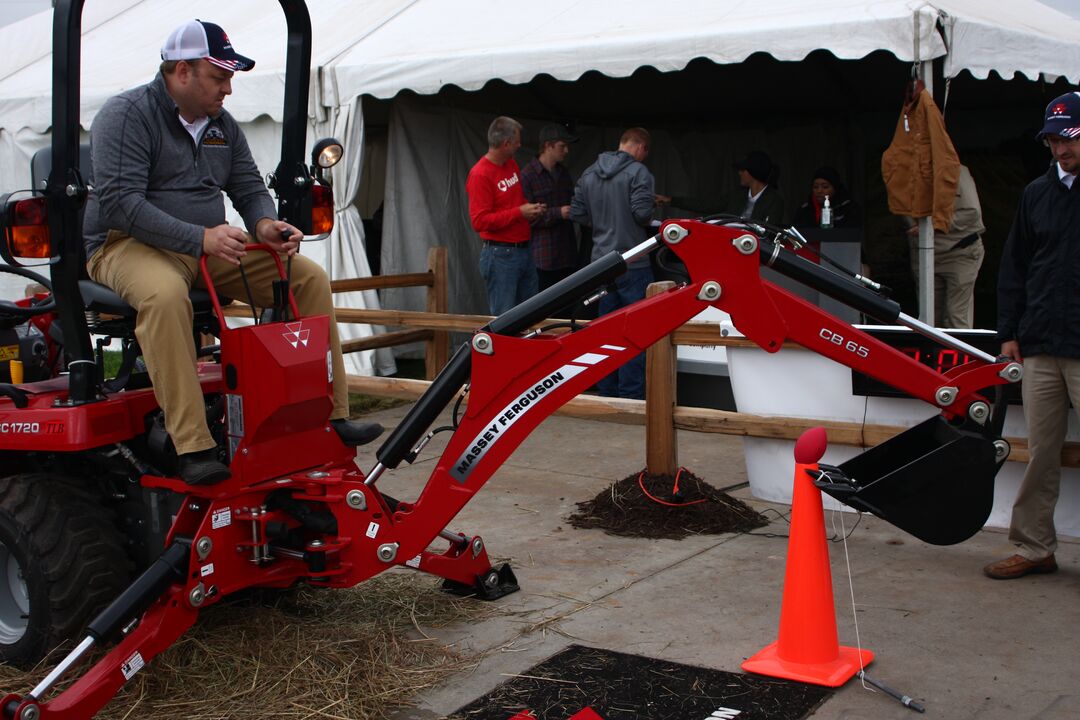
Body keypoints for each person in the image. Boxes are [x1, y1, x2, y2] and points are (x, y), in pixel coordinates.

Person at [83, 20, 381, 486]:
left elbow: (247, 186)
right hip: (128, 244)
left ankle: (331, 414)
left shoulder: (221, 125)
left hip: (205, 245)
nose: (227, 89)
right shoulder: (125, 115)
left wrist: (265, 224)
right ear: (183, 71)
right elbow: (122, 205)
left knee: (305, 276)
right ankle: (193, 446)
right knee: (163, 297)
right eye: (219, 77)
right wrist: (201, 239)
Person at [985, 92, 1080, 580]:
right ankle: (1035, 546)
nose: (1062, 148)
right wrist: (1008, 333)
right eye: (1053, 139)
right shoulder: (1035, 194)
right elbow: (1014, 267)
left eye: (1071, 137)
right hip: (1041, 342)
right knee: (1041, 452)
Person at [570, 127, 656, 399]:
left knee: (605, 333)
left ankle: (607, 393)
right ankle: (632, 397)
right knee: (636, 333)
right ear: (640, 147)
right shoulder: (639, 173)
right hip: (634, 262)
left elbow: (577, 212)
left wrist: (603, 223)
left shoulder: (588, 173)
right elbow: (642, 214)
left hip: (602, 265)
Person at [466, 116, 545, 315]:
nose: (520, 145)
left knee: (531, 314)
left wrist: (528, 210)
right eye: (517, 141)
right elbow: (479, 221)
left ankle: (528, 347)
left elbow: (513, 201)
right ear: (506, 143)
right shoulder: (480, 174)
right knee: (505, 318)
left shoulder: (511, 165)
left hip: (523, 249)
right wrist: (519, 212)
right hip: (500, 254)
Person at [904, 164, 985, 328]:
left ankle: (961, 353)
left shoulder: (956, 171)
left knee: (956, 317)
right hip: (924, 252)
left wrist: (932, 224)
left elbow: (971, 212)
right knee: (929, 320)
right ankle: (932, 354)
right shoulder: (901, 172)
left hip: (960, 250)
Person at [520, 124, 579, 292]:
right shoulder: (527, 176)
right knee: (543, 310)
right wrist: (558, 213)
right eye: (562, 146)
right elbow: (526, 218)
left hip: (567, 255)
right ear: (547, 146)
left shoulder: (564, 173)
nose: (566, 150)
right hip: (542, 258)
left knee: (567, 309)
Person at [792, 166, 863, 229]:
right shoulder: (804, 210)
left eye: (825, 187)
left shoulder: (849, 208)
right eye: (815, 187)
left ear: (835, 188)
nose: (819, 191)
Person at [728, 150, 785, 224]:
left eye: (743, 170)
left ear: (753, 172)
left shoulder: (774, 201)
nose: (739, 173)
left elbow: (768, 232)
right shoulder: (737, 195)